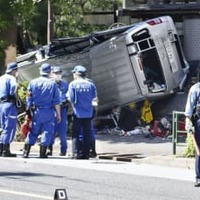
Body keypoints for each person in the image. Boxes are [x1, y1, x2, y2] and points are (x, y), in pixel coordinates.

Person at [23, 63, 61, 158]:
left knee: (33, 131)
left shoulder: (32, 82)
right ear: (49, 72)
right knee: (47, 131)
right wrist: (58, 114)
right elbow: (56, 101)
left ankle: (26, 152)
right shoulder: (52, 84)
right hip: (48, 111)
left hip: (36, 111)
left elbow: (28, 98)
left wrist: (28, 110)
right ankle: (42, 153)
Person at [67, 65, 97, 159]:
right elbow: (94, 98)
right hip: (88, 113)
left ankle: (75, 153)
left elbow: (71, 98)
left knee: (75, 133)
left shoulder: (73, 84)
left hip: (77, 113)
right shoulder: (90, 84)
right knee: (87, 133)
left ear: (76, 74)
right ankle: (86, 154)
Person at [47, 66, 68, 156]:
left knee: (62, 131)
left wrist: (66, 101)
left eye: (59, 73)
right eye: (56, 73)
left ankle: (63, 150)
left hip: (62, 109)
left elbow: (67, 96)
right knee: (51, 129)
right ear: (52, 74)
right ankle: (49, 148)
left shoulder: (65, 84)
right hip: (52, 109)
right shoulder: (49, 84)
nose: (58, 75)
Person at [0, 62, 18, 157]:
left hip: (1, 104)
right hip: (9, 105)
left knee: (3, 127)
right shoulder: (12, 78)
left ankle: (1, 148)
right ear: (14, 70)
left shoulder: (1, 78)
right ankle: (5, 151)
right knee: (9, 127)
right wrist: (13, 94)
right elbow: (13, 88)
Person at [185, 81, 200, 187]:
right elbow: (189, 109)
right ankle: (199, 178)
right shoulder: (195, 89)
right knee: (199, 151)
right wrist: (188, 122)